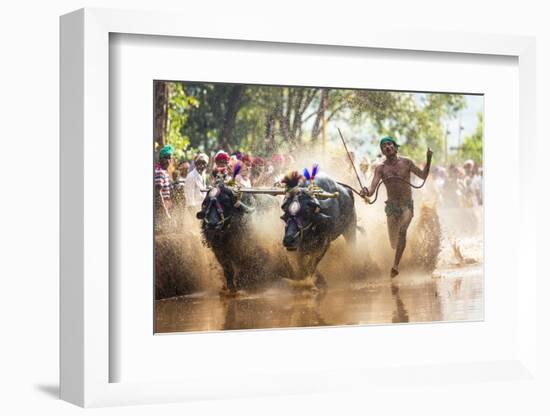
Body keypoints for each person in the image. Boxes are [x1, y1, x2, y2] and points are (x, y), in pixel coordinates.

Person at [360, 137, 432, 277]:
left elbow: (423, 176)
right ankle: (400, 256)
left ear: (395, 147)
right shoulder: (380, 168)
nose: (387, 147)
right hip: (392, 206)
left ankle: (395, 266)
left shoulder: (407, 162)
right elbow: (372, 187)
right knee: (393, 243)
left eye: (389, 144)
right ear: (382, 151)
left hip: (406, 205)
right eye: (384, 146)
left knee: (402, 231)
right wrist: (365, 192)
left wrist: (428, 159)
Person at [154, 145, 174, 224]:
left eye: (169, 158)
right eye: (165, 157)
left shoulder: (164, 171)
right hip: (159, 212)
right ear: (160, 159)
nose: (168, 160)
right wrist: (165, 213)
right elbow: (157, 193)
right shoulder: (160, 172)